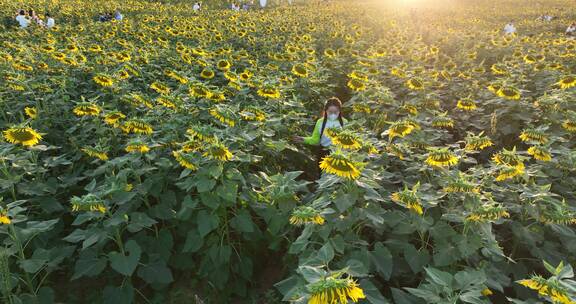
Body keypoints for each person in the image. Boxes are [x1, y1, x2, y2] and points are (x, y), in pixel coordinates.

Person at [292, 97, 346, 173]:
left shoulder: (345, 122)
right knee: (323, 177)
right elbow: (316, 140)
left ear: (339, 111)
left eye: (335, 112)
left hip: (340, 154)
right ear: (326, 111)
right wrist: (303, 139)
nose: (333, 114)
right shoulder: (320, 122)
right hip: (324, 153)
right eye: (330, 112)